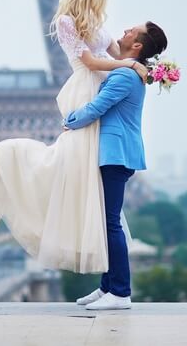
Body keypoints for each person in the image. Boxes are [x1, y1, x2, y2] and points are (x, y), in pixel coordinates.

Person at [0, 0, 148, 274]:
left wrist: (145, 65)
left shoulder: (99, 24)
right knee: (70, 161)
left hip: (102, 84)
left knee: (87, 177)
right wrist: (128, 65)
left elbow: (117, 54)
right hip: (86, 86)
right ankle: (5, 160)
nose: (106, 0)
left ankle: (108, 283)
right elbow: (89, 60)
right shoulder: (66, 21)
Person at [67, 21, 167, 310]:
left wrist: (69, 121)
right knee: (107, 221)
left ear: (137, 46)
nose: (123, 31)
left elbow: (98, 107)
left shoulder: (124, 75)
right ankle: (107, 287)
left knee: (110, 223)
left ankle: (120, 292)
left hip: (115, 154)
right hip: (116, 153)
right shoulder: (128, 70)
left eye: (130, 32)